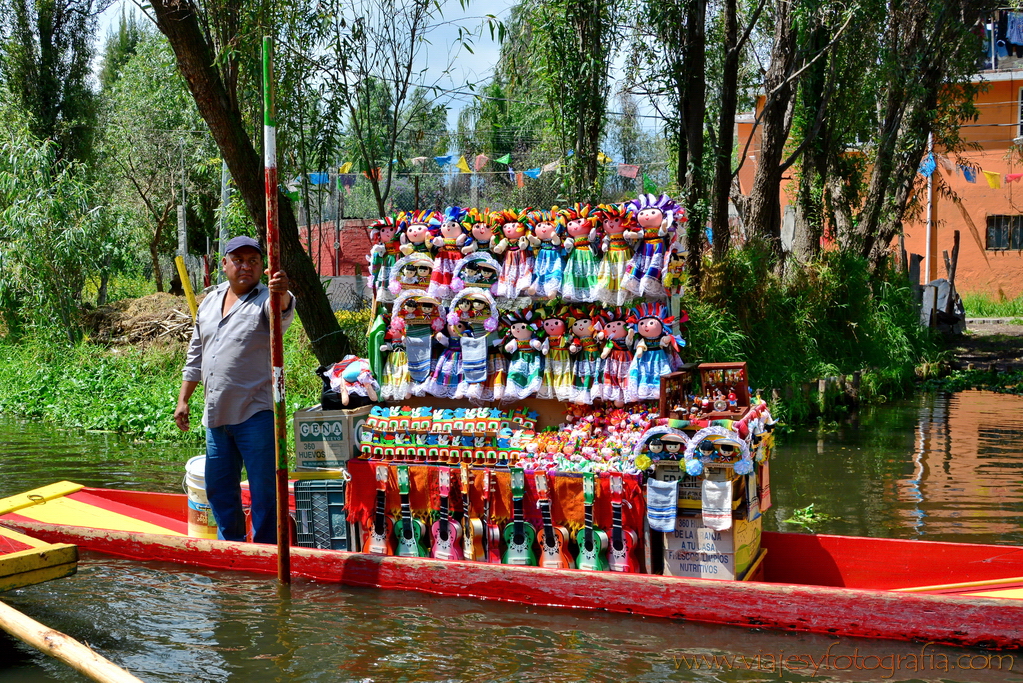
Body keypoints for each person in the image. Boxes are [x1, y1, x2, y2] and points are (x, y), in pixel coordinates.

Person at [174, 236, 295, 544]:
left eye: (253, 261)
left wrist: (281, 291)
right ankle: (233, 548)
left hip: (255, 413)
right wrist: (183, 399)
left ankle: (266, 552)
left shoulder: (265, 299)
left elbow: (279, 310)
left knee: (264, 492)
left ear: (261, 268)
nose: (246, 267)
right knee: (219, 489)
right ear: (224, 265)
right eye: (238, 260)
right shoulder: (211, 301)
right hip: (216, 415)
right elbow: (196, 353)